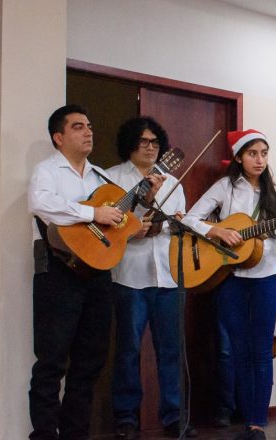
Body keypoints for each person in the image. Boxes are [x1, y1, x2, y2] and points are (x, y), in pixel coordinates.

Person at [28, 105, 164, 440]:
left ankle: (76, 433)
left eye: (89, 126)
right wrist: (92, 212)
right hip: (58, 273)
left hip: (98, 274)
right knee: (51, 361)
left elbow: (120, 224)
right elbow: (40, 204)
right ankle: (45, 434)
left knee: (90, 362)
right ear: (58, 137)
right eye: (77, 127)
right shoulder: (47, 171)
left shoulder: (102, 177)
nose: (88, 131)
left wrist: (144, 203)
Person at [182, 129, 276, 440]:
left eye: (264, 153)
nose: (260, 160)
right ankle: (245, 417)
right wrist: (217, 233)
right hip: (229, 278)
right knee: (237, 351)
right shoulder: (225, 187)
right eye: (253, 153)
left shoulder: (275, 192)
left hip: (265, 277)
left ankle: (257, 424)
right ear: (239, 157)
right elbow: (187, 218)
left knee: (262, 349)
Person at [105, 117, 196, 439]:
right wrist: (133, 230)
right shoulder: (112, 178)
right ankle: (126, 418)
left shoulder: (173, 182)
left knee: (170, 349)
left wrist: (163, 225)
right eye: (144, 141)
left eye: (155, 142)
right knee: (129, 349)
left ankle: (174, 416)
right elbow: (105, 226)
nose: (150, 147)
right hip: (129, 275)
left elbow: (178, 223)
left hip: (169, 276)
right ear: (130, 143)